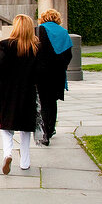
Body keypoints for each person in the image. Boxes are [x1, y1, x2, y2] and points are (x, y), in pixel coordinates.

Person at [0, 14, 41, 174]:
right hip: (28, 90)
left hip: (9, 90)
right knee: (26, 127)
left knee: (6, 125)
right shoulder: (36, 47)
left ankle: (7, 153)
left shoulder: (6, 44)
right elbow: (39, 71)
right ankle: (25, 161)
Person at [36, 9, 73, 146]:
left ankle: (45, 132)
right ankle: (51, 128)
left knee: (43, 102)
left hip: (42, 73)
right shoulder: (63, 32)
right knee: (52, 102)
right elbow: (68, 55)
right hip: (57, 73)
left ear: (43, 18)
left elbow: (36, 51)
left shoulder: (39, 30)